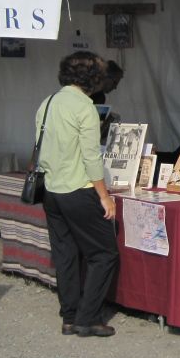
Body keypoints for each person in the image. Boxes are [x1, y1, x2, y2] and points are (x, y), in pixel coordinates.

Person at [37, 51, 118, 338]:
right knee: (104, 253)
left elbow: (41, 147)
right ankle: (88, 318)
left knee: (65, 254)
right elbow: (91, 157)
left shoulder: (48, 103)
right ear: (92, 77)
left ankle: (70, 316)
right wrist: (104, 195)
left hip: (52, 189)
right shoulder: (84, 107)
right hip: (78, 189)